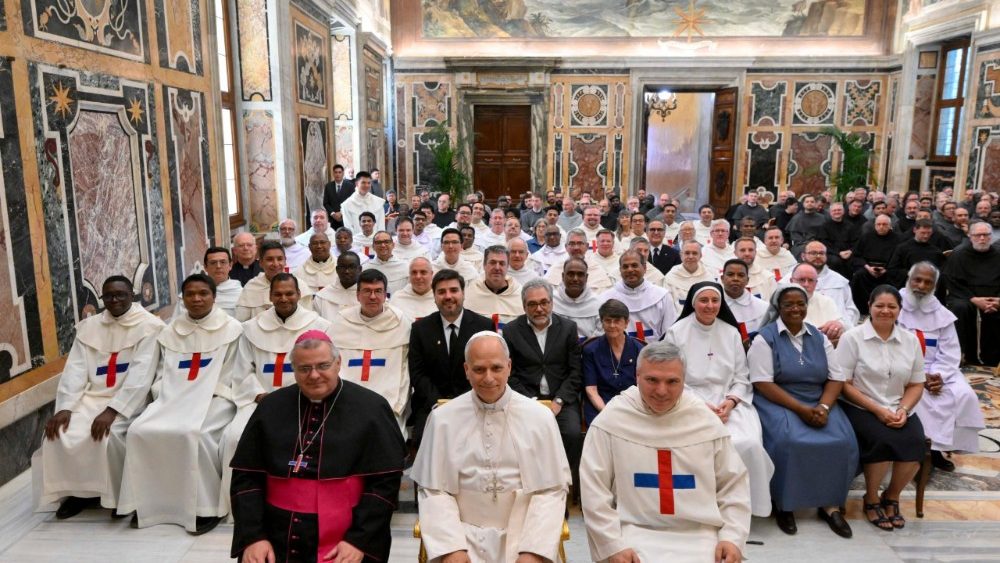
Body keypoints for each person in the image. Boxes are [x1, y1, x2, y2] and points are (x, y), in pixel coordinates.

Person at [230, 331, 405, 563]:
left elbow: (384, 485)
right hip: (274, 534)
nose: (314, 375)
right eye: (304, 368)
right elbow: (246, 477)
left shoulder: (372, 408)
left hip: (349, 534)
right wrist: (253, 536)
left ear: (338, 363)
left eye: (323, 365)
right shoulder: (271, 406)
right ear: (293, 368)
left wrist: (358, 540)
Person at [580, 340, 750, 562]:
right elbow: (594, 491)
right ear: (637, 376)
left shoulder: (704, 421)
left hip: (701, 533)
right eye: (652, 380)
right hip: (630, 532)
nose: (661, 391)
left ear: (684, 381)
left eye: (672, 381)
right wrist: (612, 545)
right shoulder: (611, 421)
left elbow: (733, 484)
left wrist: (731, 538)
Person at [411, 331, 571, 562]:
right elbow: (434, 490)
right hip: (461, 536)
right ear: (466, 370)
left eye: (496, 368)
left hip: (525, 538)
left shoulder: (540, 417)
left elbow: (551, 490)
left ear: (509, 366)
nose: (488, 378)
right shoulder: (443, 419)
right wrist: (451, 548)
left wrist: (533, 551)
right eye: (478, 369)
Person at [117, 273, 242, 533]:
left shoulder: (232, 329)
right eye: (190, 294)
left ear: (214, 297)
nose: (196, 299)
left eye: (203, 294)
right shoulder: (169, 332)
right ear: (182, 298)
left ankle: (206, 508)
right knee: (140, 431)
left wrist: (201, 395)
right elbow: (161, 372)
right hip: (173, 397)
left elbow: (233, 374)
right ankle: (149, 504)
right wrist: (167, 395)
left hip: (215, 397)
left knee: (196, 434)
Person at [35, 276, 165, 519]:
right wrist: (65, 407)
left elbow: (141, 375)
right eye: (109, 296)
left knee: (110, 435)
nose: (114, 300)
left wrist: (113, 410)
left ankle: (118, 497)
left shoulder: (149, 326)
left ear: (132, 296)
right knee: (61, 432)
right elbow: (75, 370)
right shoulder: (90, 327)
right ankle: (78, 493)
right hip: (90, 396)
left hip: (129, 400)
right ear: (102, 298)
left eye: (121, 295)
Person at [747, 284, 858, 538]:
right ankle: (785, 504)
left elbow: (835, 378)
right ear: (778, 308)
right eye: (789, 304)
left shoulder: (819, 338)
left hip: (818, 399)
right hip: (779, 400)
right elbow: (763, 383)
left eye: (801, 304)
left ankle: (829, 505)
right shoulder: (766, 338)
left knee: (841, 441)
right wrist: (801, 410)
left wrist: (824, 406)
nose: (796, 309)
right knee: (790, 441)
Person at [219, 274, 334, 517]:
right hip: (261, 401)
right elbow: (243, 370)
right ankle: (239, 508)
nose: (284, 298)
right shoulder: (251, 328)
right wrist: (260, 395)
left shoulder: (319, 326)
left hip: (305, 401)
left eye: (289, 293)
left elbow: (321, 370)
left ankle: (298, 501)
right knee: (233, 437)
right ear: (270, 296)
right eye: (278, 294)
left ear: (299, 295)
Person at [662, 282, 774, 517]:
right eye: (704, 301)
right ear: (693, 303)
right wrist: (700, 405)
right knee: (695, 444)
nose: (710, 306)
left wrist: (731, 402)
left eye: (715, 301)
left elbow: (742, 375)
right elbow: (672, 378)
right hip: (689, 401)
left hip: (728, 401)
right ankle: (697, 506)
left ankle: (743, 508)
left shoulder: (731, 332)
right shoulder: (677, 332)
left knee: (748, 444)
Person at [837, 285, 926, 532]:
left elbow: (917, 383)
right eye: (880, 306)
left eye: (892, 307)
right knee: (881, 439)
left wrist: (904, 409)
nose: (885, 311)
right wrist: (877, 410)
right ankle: (872, 497)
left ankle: (892, 496)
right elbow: (843, 383)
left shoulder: (910, 341)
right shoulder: (852, 338)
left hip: (898, 405)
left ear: (899, 310)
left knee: (915, 441)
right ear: (869, 307)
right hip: (861, 405)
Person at [503, 279, 584, 502]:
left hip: (561, 400)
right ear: (524, 306)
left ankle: (564, 492)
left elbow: (575, 372)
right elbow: (511, 374)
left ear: (551, 303)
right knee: (523, 437)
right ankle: (531, 491)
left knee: (571, 434)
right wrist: (531, 402)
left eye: (544, 302)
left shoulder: (568, 328)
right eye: (532, 304)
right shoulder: (511, 331)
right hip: (525, 400)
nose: (539, 309)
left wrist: (558, 401)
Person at [898, 263, 984, 469]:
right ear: (908, 280)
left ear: (935, 286)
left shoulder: (942, 314)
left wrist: (938, 375)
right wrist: (918, 376)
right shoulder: (893, 304)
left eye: (928, 282)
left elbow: (951, 352)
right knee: (919, 399)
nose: (921, 285)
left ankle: (937, 451)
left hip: (937, 370)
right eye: (917, 280)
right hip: (902, 370)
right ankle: (915, 452)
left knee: (964, 395)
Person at [408, 270, 496, 446]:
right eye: (441, 292)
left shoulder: (483, 326)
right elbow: (418, 374)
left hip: (475, 402)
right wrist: (438, 404)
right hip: (432, 404)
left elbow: (488, 369)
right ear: (434, 296)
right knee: (423, 441)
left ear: (463, 293)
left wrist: (464, 404)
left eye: (453, 290)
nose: (448, 296)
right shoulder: (420, 329)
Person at [329, 269, 412, 436]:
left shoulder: (401, 323)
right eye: (367, 291)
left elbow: (405, 370)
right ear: (357, 295)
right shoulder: (340, 323)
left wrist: (398, 405)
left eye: (378, 291)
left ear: (385, 294)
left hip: (388, 405)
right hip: (346, 405)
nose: (373, 296)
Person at [944, 222, 1000, 365]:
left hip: (995, 297)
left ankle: (993, 359)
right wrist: (973, 299)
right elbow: (952, 281)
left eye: (986, 235)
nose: (982, 238)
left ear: (991, 236)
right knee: (960, 308)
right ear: (970, 236)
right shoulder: (959, 254)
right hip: (966, 296)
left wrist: (998, 300)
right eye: (978, 235)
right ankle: (965, 355)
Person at [581, 299, 644, 425]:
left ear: (626, 323)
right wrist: (606, 412)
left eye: (617, 321)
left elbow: (642, 387)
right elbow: (591, 390)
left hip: (632, 404)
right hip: (600, 404)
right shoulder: (591, 350)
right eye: (607, 320)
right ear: (602, 322)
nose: (612, 325)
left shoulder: (639, 349)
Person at [600, 250, 677, 342]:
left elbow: (669, 332)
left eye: (634, 265)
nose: (630, 270)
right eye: (625, 266)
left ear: (644, 268)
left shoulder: (662, 296)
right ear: (620, 270)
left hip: (656, 353)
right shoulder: (606, 298)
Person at [235, 240, 314, 321]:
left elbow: (308, 319)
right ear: (261, 262)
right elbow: (242, 322)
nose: (276, 264)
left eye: (280, 259)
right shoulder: (251, 287)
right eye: (270, 259)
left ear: (285, 261)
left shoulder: (300, 285)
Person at [463, 246, 524, 332]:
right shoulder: (470, 293)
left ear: (507, 267)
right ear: (484, 265)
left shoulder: (520, 295)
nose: (497, 268)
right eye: (492, 262)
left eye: (502, 263)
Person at [849, 214, 899, 316]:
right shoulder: (866, 237)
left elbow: (899, 259)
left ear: (890, 226)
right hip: (868, 268)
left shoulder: (898, 239)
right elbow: (857, 256)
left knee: (898, 275)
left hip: (888, 269)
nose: (881, 227)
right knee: (859, 276)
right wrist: (868, 267)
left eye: (884, 224)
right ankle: (861, 310)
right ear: (875, 225)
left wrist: (886, 269)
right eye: (878, 224)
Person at [803, 241, 861, 326]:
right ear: (803, 256)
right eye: (813, 253)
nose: (818, 256)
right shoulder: (791, 279)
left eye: (822, 253)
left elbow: (851, 309)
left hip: (837, 332)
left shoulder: (839, 281)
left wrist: (841, 326)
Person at [174, 247, 243, 318]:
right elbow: (178, 322)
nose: (218, 266)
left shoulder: (242, 294)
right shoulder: (189, 294)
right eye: (213, 263)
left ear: (230, 265)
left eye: (223, 262)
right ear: (205, 267)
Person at [552, 257, 602, 340]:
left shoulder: (598, 303)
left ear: (586, 277)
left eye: (580, 274)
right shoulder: (551, 301)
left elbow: (600, 333)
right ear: (563, 276)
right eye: (571, 274)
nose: (575, 279)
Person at [721, 259, 768, 343]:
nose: (735, 278)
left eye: (741, 275)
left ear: (747, 280)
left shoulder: (763, 307)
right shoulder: (712, 307)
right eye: (730, 274)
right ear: (722, 278)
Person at [662, 241, 716, 313]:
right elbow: (668, 306)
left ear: (700, 256)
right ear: (681, 255)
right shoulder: (671, 277)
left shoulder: (709, 276)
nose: (691, 256)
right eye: (687, 253)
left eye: (694, 253)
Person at [313, 251, 362, 317]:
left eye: (351, 267)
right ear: (337, 270)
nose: (347, 271)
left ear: (360, 269)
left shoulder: (368, 295)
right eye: (342, 267)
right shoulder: (322, 296)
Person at [734, 237, 777, 301]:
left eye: (750, 250)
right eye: (742, 250)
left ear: (755, 252)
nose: (747, 253)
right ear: (735, 253)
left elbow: (774, 305)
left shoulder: (768, 277)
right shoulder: (725, 278)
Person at [322, 163, 355, 229]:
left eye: (339, 172)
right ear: (333, 174)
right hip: (332, 220)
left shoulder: (350, 186)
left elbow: (352, 202)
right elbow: (326, 203)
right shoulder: (328, 186)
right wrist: (333, 213)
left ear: (343, 173)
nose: (337, 174)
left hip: (346, 218)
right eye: (336, 172)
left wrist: (341, 212)